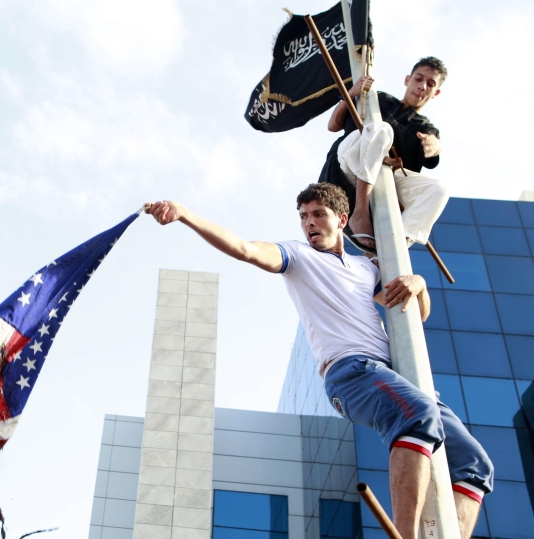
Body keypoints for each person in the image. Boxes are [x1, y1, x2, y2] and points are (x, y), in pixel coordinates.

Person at [145, 183, 492, 539]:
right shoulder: (297, 256)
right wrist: (185, 215)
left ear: (341, 219)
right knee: (418, 414)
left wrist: (419, 284)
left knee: (474, 463)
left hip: (392, 372)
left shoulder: (365, 267)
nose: (309, 223)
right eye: (303, 217)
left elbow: (414, 317)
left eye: (318, 214)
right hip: (350, 371)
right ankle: (406, 535)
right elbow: (246, 250)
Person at [320, 57, 449, 252]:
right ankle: (360, 214)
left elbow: (433, 150)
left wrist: (435, 145)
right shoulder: (377, 98)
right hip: (349, 161)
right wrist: (351, 94)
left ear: (436, 92)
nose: (422, 86)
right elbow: (333, 126)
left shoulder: (426, 128)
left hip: (384, 179)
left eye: (430, 84)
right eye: (419, 79)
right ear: (408, 79)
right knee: (381, 129)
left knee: (437, 189)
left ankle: (396, 245)